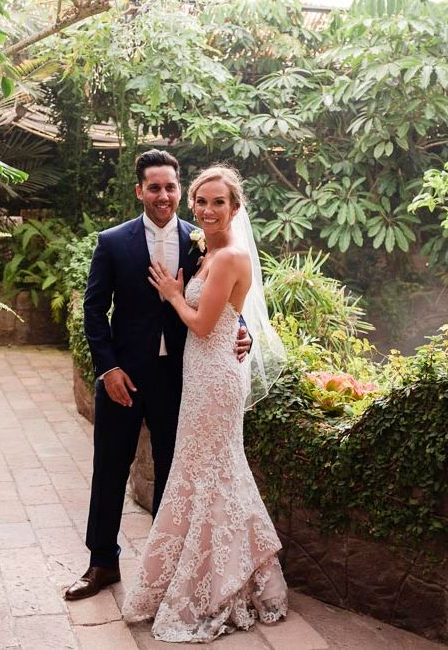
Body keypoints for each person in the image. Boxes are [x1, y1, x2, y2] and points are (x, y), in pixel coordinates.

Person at [64, 151, 252, 601]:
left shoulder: (200, 239)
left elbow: (224, 302)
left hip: (181, 379)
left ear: (177, 189)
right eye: (154, 188)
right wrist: (107, 368)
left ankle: (168, 568)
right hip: (123, 378)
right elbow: (93, 311)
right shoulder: (112, 242)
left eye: (170, 187)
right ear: (140, 191)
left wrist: (242, 332)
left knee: (175, 473)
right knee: (110, 469)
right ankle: (101, 563)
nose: (163, 195)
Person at [121, 164, 288, 643]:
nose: (208, 209)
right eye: (202, 201)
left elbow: (201, 322)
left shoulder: (231, 257)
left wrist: (174, 294)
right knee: (209, 473)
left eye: (219, 202)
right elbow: (230, 318)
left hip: (214, 379)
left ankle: (221, 585)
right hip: (200, 376)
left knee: (212, 473)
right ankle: (232, 571)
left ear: (236, 208)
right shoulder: (207, 251)